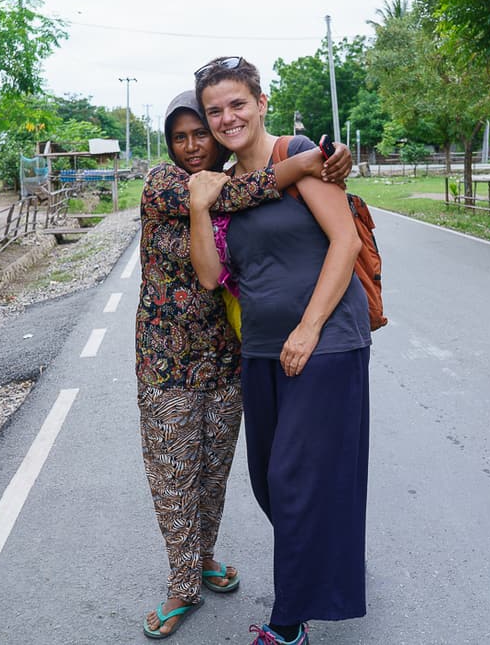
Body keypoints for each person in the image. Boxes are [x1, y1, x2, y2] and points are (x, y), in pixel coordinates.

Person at [136, 90, 352, 639]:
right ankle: (182, 585)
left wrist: (320, 161)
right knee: (173, 477)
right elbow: (243, 191)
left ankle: (204, 558)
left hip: (229, 356)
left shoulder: (231, 179)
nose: (191, 146)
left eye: (199, 134)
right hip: (167, 363)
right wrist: (302, 159)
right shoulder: (166, 184)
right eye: (180, 136)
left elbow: (271, 200)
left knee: (214, 475)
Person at [188, 58, 371, 645]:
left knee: (296, 480)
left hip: (326, 342)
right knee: (270, 483)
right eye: (214, 110)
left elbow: (343, 240)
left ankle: (288, 625)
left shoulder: (297, 153)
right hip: (262, 349)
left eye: (237, 104)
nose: (226, 118)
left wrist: (310, 327)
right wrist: (198, 206)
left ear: (261, 102)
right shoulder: (225, 184)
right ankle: (325, 567)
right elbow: (213, 275)